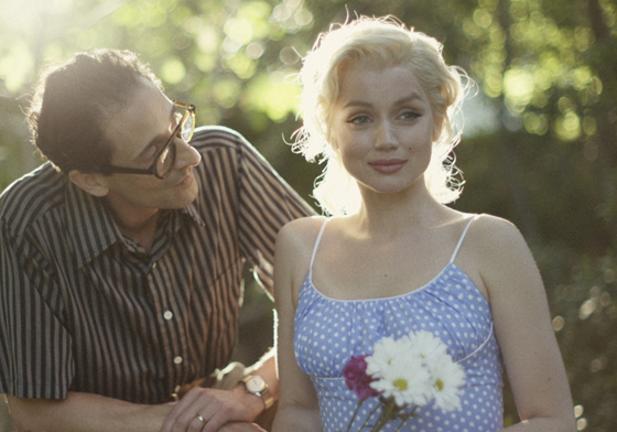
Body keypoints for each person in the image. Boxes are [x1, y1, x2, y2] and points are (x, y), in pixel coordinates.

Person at [272, 16, 575, 432]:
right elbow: (298, 411)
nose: (386, 139)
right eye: (361, 118)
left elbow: (551, 420)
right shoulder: (300, 246)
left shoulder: (489, 242)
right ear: (329, 128)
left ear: (437, 121)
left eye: (407, 114)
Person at [0, 49, 314, 432]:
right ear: (91, 180)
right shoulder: (27, 222)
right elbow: (37, 410)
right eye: (157, 154)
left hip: (219, 393)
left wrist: (249, 394)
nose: (191, 155)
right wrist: (206, 423)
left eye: (177, 124)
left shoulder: (225, 160)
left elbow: (332, 293)